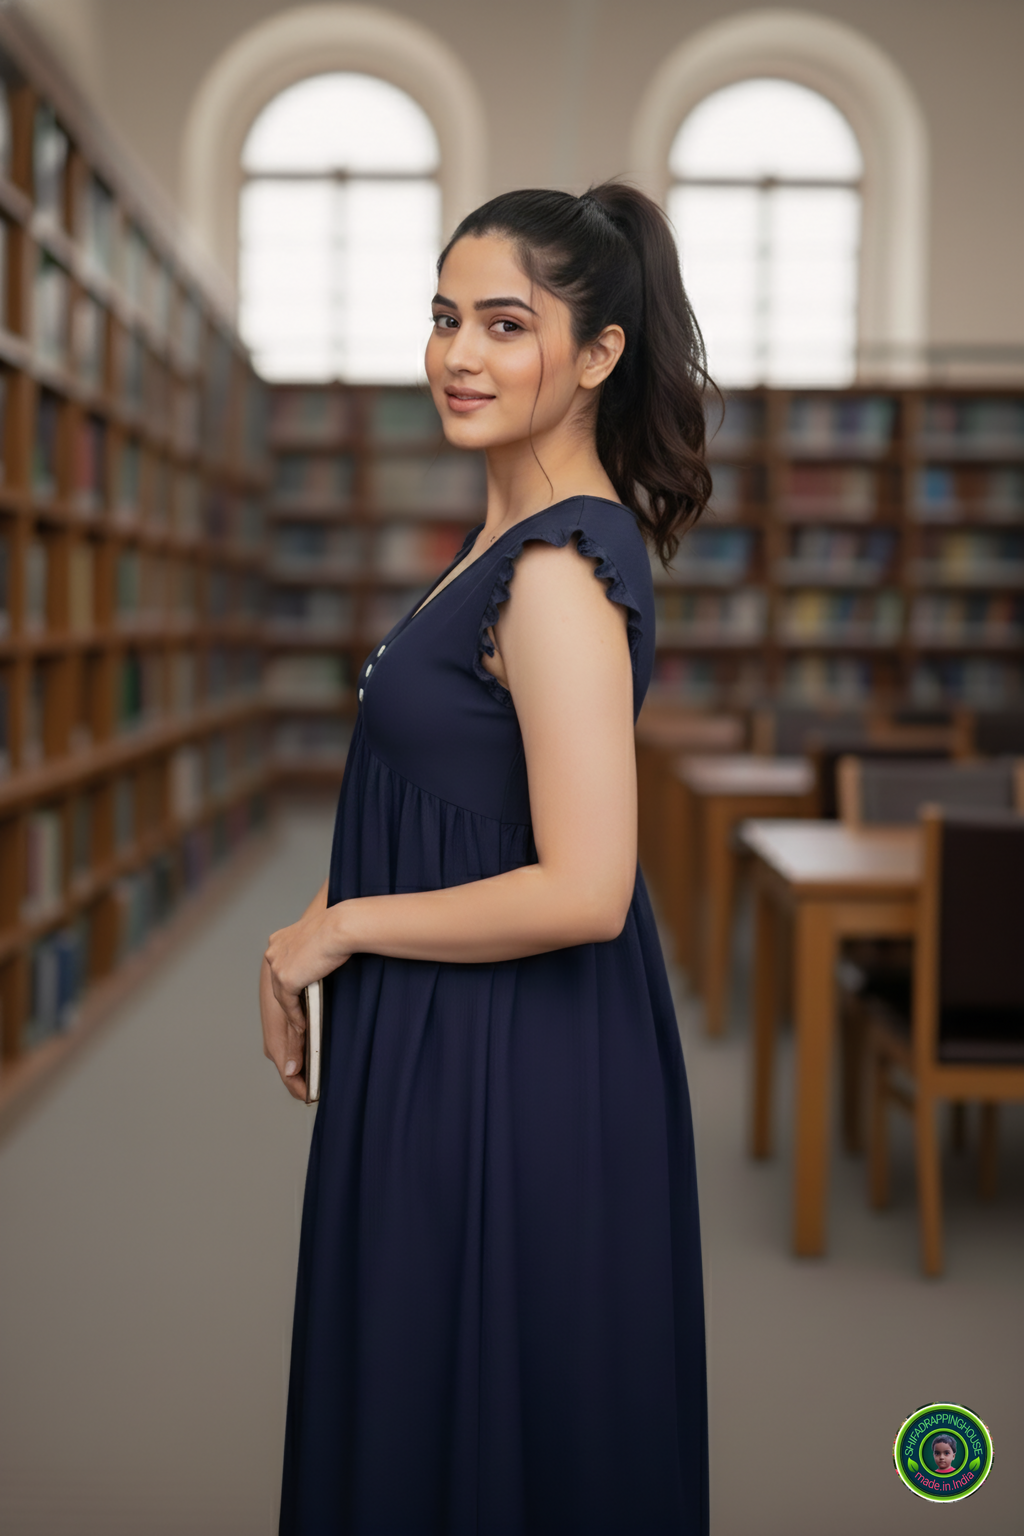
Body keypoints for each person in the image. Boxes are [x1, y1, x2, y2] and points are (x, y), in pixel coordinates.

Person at [261, 181, 713, 1536]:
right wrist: (326, 907)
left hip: (508, 1069)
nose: (459, 353)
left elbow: (586, 888)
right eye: (446, 316)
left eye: (506, 323)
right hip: (452, 1032)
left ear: (598, 353)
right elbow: (452, 787)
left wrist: (336, 933)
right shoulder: (496, 544)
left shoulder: (559, 572)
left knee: (478, 1420)